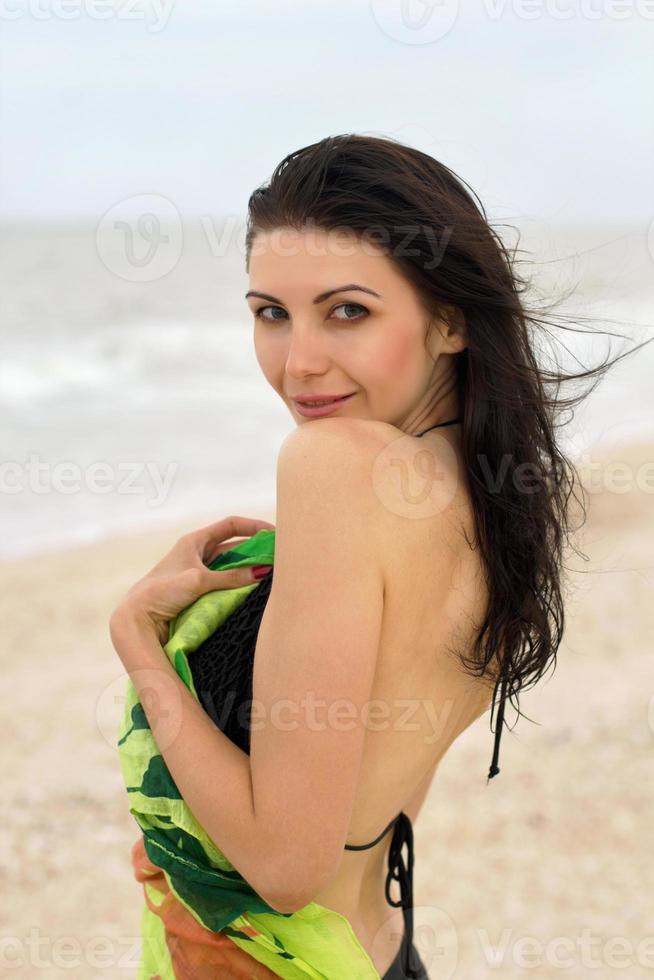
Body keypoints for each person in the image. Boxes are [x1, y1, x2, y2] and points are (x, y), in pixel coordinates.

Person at [113, 133, 649, 979]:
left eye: (349, 311)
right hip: (384, 950)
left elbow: (285, 870)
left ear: (449, 318)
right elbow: (388, 785)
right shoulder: (494, 504)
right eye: (271, 314)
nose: (300, 362)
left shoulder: (337, 468)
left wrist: (138, 642)